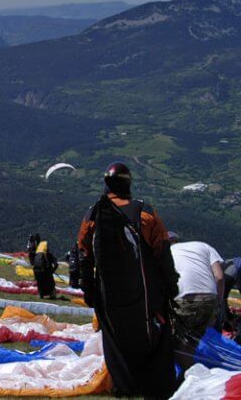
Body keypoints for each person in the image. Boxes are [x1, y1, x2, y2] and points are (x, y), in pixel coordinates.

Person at [78, 162, 179, 398]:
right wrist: (171, 286)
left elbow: (83, 253)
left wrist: (88, 290)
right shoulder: (144, 213)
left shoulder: (94, 214)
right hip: (145, 295)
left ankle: (123, 384)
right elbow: (162, 251)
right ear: (128, 184)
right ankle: (154, 385)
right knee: (154, 339)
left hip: (109, 296)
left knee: (116, 341)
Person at [170, 239, 224, 370]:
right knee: (190, 343)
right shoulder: (206, 247)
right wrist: (219, 304)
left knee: (177, 343)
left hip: (185, 298)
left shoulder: (170, 251)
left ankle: (186, 378)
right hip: (209, 299)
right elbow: (219, 277)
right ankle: (190, 376)